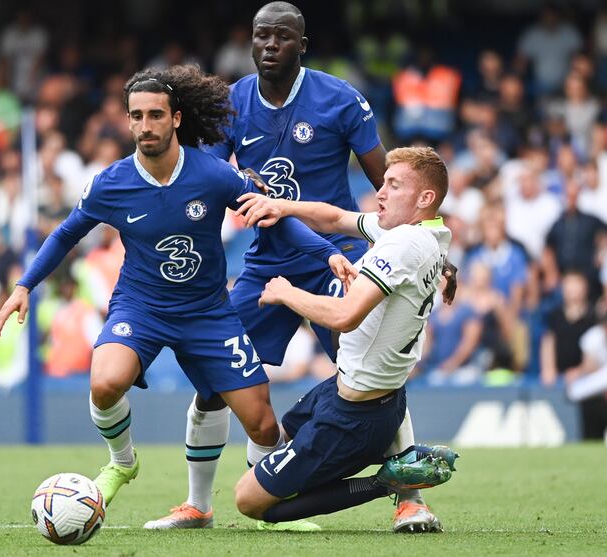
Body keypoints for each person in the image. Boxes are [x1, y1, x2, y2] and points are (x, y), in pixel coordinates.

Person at [149, 0, 456, 533]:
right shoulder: (233, 103)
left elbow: (395, 186)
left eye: (282, 37)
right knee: (214, 377)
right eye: (261, 36)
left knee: (377, 382)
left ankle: (410, 498)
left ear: (302, 45)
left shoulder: (340, 99)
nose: (269, 46)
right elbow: (209, 175)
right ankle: (198, 504)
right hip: (264, 265)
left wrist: (434, 249)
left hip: (334, 262)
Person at [0, 64, 356, 510]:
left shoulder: (213, 174)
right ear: (127, 121)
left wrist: (328, 253)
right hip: (140, 308)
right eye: (137, 116)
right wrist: (24, 285)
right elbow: (67, 233)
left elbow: (273, 220)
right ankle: (122, 462)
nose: (146, 125)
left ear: (176, 119)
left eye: (156, 115)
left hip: (208, 312)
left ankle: (270, 509)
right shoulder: (111, 183)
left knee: (263, 425)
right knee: (106, 383)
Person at [231, 146, 455, 531]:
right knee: (283, 431)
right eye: (383, 182)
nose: (380, 192)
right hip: (346, 390)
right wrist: (282, 206)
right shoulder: (420, 233)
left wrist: (287, 292)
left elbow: (345, 316)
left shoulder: (405, 244)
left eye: (393, 185)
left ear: (425, 198)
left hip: (356, 415)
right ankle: (386, 476)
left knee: (248, 501)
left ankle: (386, 481)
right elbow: (334, 218)